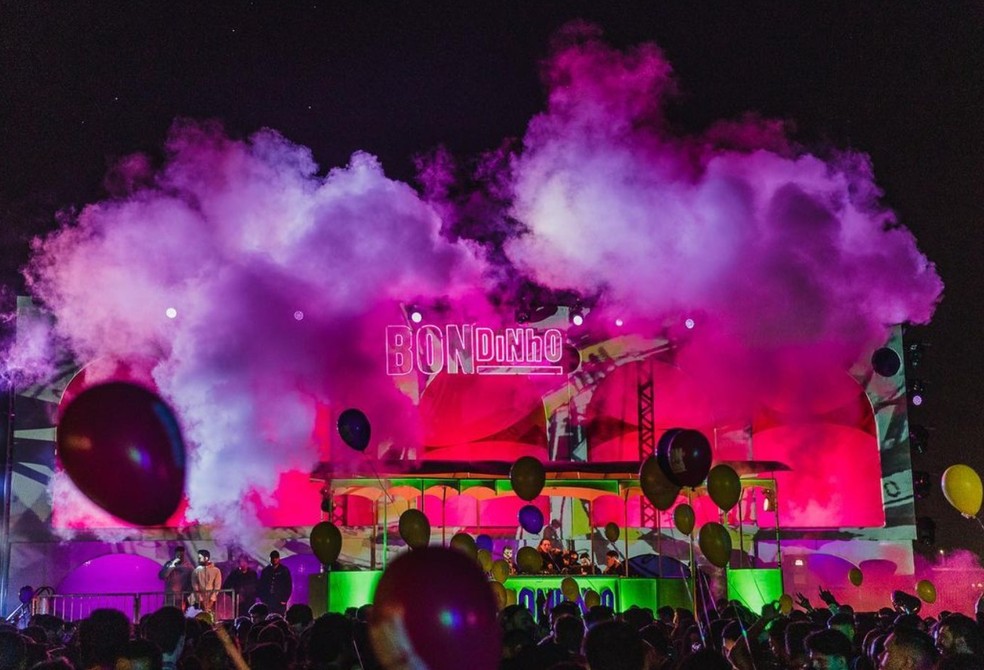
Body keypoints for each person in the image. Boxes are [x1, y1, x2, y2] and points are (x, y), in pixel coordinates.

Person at [258, 550, 292, 615]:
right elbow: (261, 585)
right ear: (270, 558)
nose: (274, 559)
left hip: (280, 600)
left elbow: (288, 585)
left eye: (276, 558)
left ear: (279, 558)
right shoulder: (265, 571)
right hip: (268, 599)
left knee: (280, 616)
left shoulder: (284, 570)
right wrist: (263, 598)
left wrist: (285, 599)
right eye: (272, 558)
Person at [191, 549, 223, 615]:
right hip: (199, 601)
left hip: (212, 601)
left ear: (206, 558)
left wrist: (211, 601)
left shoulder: (216, 570)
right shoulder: (196, 571)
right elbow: (195, 587)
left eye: (200, 558)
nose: (198, 560)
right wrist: (201, 601)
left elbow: (217, 586)